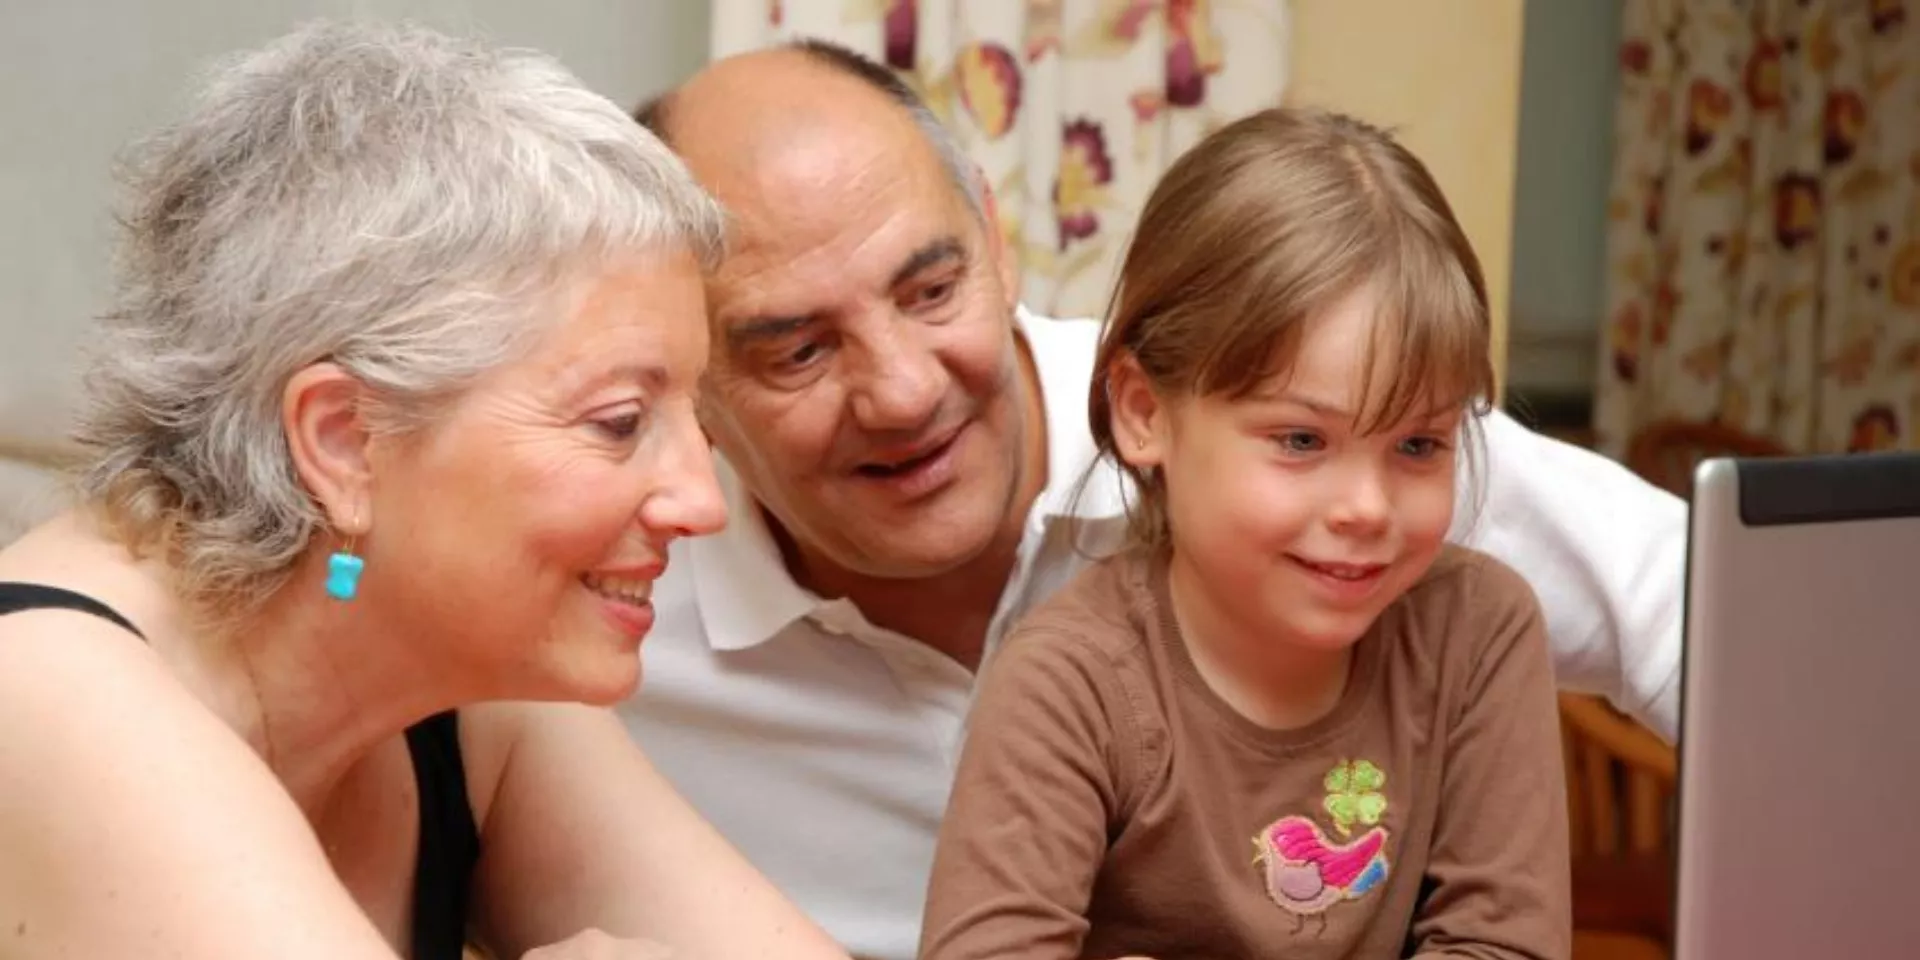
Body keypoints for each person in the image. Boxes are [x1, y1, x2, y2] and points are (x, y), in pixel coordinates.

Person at [622, 40, 1679, 960]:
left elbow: (1714, 614)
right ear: (682, 368)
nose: (903, 392)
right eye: (799, 349)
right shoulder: (603, 614)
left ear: (996, 239)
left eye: (931, 290)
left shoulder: (1392, 494)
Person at [0, 21, 848, 960]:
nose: (703, 500)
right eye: (619, 422)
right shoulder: (49, 696)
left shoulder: (461, 676)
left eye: (696, 417)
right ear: (345, 442)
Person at [918, 106, 1569, 960]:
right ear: (1145, 413)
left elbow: (1506, 946)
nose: (1367, 508)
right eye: (1301, 440)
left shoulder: (1480, 632)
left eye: (1418, 445)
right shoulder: (1068, 682)